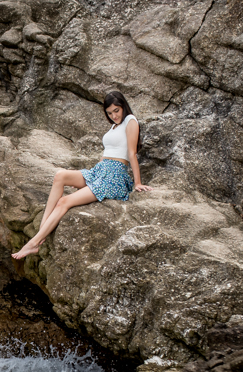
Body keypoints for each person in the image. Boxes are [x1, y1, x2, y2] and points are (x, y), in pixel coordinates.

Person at [12, 91, 152, 260]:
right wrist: (89, 178)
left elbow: (131, 152)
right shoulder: (114, 126)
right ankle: (42, 231)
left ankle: (34, 243)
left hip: (114, 175)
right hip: (100, 170)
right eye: (109, 113)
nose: (114, 115)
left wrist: (137, 183)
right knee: (60, 176)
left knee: (64, 201)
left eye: (116, 110)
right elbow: (106, 153)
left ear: (123, 106)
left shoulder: (130, 120)